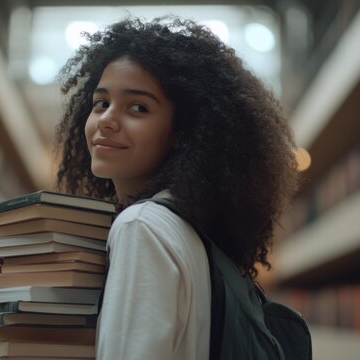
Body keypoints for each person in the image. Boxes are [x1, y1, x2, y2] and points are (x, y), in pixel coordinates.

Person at [55, 16, 299, 360]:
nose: (107, 119)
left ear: (182, 133)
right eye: (101, 102)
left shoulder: (142, 227)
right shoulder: (189, 232)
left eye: (137, 107)